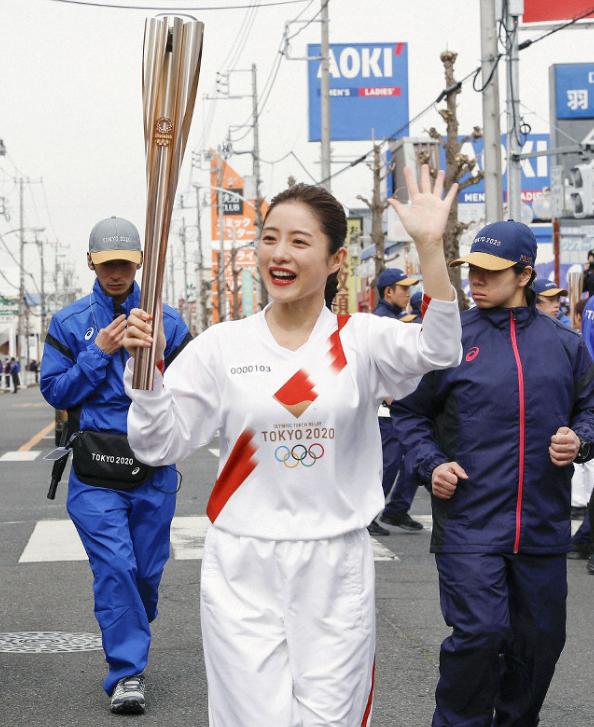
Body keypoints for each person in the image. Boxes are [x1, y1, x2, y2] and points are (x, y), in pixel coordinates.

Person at [123, 167, 462, 726]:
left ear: (334, 261)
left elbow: (441, 347)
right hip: (243, 562)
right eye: (270, 237)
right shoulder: (222, 347)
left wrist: (430, 248)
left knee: (330, 718)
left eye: (299, 241)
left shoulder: (360, 340)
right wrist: (148, 377)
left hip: (333, 561)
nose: (279, 253)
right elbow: (158, 445)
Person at [392, 219, 594, 727]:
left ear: (524, 274)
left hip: (542, 527)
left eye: (490, 271)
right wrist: (431, 463)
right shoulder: (448, 342)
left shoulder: (565, 345)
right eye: (471, 270)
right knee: (480, 635)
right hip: (470, 524)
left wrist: (580, 438)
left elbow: (589, 410)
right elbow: (409, 415)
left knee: (541, 644)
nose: (475, 280)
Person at [40, 216, 191, 715]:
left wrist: (161, 359)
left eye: (125, 262)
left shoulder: (169, 323)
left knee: (145, 573)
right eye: (107, 264)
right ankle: (127, 672)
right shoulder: (68, 322)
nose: (116, 272)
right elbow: (55, 392)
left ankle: (130, 627)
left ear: (140, 261)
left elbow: (192, 396)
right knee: (116, 567)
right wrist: (97, 352)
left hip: (153, 467)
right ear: (92, 262)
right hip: (95, 471)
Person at [369, 268, 420, 536]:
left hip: (400, 406)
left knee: (410, 459)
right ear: (388, 292)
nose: (408, 293)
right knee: (388, 462)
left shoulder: (396, 318)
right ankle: (368, 514)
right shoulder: (381, 322)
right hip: (386, 408)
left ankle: (396, 509)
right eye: (403, 288)